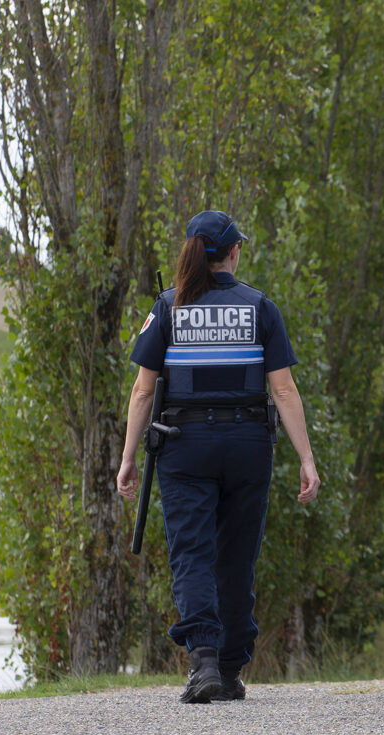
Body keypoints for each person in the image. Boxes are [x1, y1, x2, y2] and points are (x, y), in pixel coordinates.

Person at [118, 210, 321, 704]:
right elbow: (285, 389)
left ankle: (204, 660)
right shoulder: (260, 308)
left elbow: (143, 394)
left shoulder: (166, 308)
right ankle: (230, 668)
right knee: (237, 556)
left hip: (185, 448)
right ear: (233, 253)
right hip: (249, 446)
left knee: (192, 552)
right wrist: (307, 460)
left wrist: (127, 458)